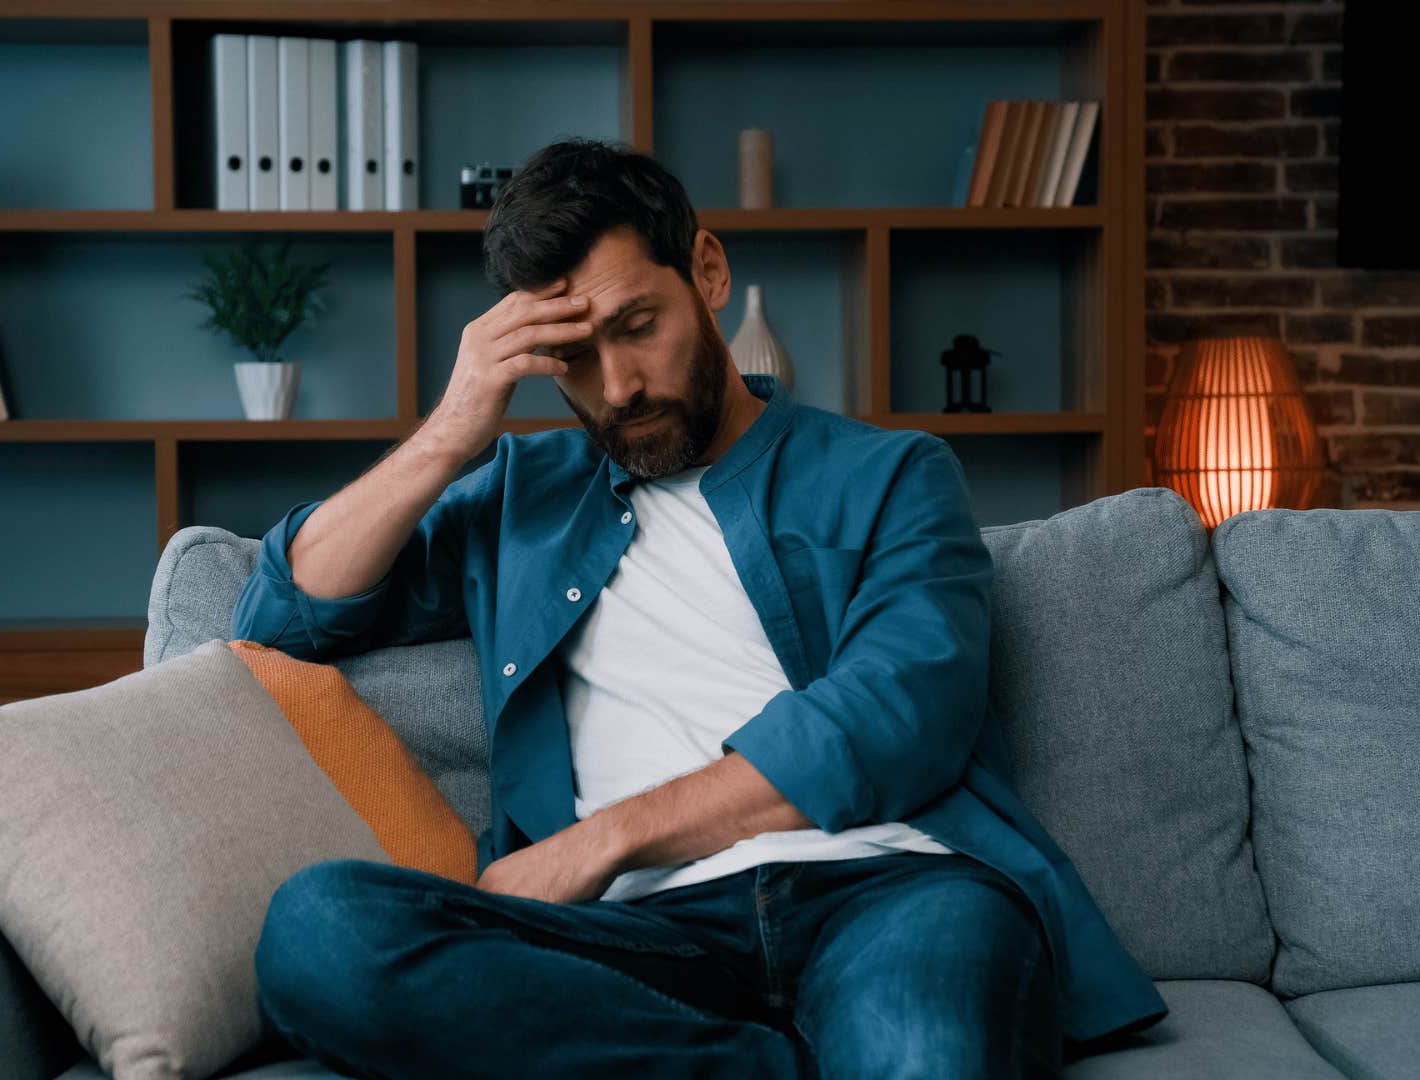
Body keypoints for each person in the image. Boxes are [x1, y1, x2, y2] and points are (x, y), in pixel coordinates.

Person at [234, 136, 1166, 1079]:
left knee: (920, 1051)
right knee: (320, 930)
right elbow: (282, 620)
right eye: (573, 358)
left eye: (637, 325)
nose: (618, 386)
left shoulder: (891, 472)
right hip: (633, 941)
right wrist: (451, 430)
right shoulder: (521, 497)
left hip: (887, 889)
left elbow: (900, 712)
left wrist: (603, 840)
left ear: (707, 273)